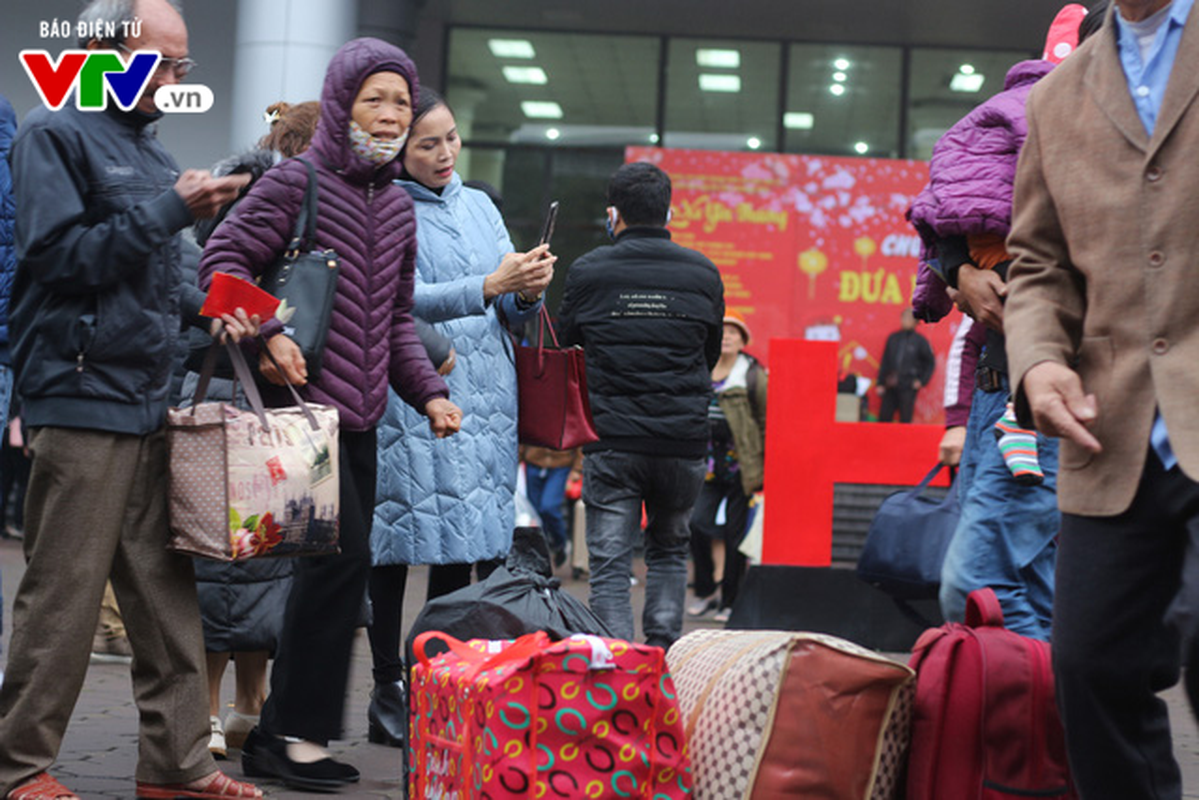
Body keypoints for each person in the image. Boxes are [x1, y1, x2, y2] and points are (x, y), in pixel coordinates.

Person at [0, 1, 264, 797]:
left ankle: (178, 767)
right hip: (80, 398)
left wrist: (229, 313)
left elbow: (162, 277)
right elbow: (57, 259)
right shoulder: (55, 134)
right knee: (65, 596)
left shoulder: (146, 150)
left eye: (184, 66)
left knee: (166, 597)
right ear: (102, 52)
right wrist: (171, 209)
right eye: (165, 62)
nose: (178, 80)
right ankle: (21, 767)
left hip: (148, 402)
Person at [198, 37, 462, 792]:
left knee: (335, 578)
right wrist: (272, 335)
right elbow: (218, 268)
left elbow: (396, 324)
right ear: (342, 100)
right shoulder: (295, 183)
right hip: (295, 414)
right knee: (338, 569)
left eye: (400, 103)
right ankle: (290, 737)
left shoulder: (397, 209)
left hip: (360, 419)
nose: (388, 115)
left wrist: (431, 394)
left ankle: (285, 731)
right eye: (374, 98)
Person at [1004, 0, 1199, 796]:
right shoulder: (1056, 96)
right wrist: (1039, 361)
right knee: (1087, 670)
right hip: (1108, 426)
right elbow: (1037, 261)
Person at [368, 88, 554, 747]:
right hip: (414, 391)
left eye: (450, 139)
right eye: (428, 143)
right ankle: (384, 683)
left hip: (488, 397)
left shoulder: (479, 205)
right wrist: (487, 287)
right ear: (398, 148)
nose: (445, 153)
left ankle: (437, 678)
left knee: (464, 547)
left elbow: (505, 308)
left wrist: (525, 291)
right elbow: (394, 299)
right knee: (394, 544)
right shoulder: (385, 207)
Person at [907, 46, 1069, 640]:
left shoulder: (1030, 128)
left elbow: (938, 216)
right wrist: (959, 274)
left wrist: (956, 270)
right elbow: (970, 330)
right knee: (1030, 581)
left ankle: (1031, 709)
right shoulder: (1050, 123)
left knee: (980, 582)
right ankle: (1045, 719)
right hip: (1000, 398)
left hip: (1037, 396)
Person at [187, 100, 319, 760]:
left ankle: (247, 706)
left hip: (274, 401)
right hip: (226, 392)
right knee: (221, 561)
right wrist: (268, 329)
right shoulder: (252, 202)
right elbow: (207, 286)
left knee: (267, 565)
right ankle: (209, 710)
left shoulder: (306, 209)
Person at [558, 161, 724, 649]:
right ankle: (663, 664)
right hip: (683, 440)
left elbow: (569, 346)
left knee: (609, 566)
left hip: (612, 440)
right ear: (668, 211)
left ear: (614, 215)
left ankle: (619, 675)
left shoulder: (589, 270)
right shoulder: (703, 272)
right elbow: (708, 353)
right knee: (671, 553)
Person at [686, 311, 767, 623]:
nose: (728, 337)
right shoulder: (701, 368)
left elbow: (764, 420)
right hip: (704, 463)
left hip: (741, 466)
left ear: (743, 341)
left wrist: (762, 464)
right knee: (695, 523)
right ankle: (705, 590)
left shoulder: (752, 374)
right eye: (723, 332)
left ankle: (730, 600)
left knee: (736, 537)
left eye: (735, 333)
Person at [875, 308, 935, 423]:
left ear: (916, 322)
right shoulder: (893, 338)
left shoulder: (920, 341)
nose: (906, 321)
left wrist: (922, 381)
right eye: (904, 318)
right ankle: (881, 440)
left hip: (908, 385)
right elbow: (885, 361)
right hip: (890, 384)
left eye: (909, 318)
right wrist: (880, 383)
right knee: (884, 418)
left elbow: (930, 363)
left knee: (905, 419)